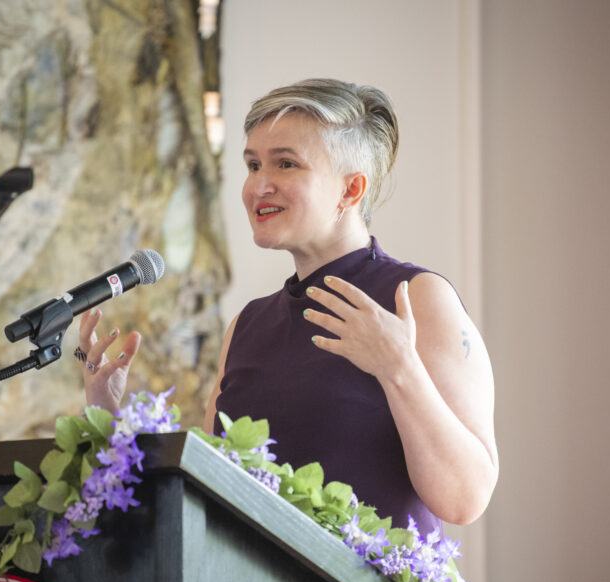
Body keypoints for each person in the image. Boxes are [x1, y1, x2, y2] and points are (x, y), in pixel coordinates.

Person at [76, 79, 498, 533]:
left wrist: (398, 368)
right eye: (253, 164)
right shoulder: (247, 325)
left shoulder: (416, 297)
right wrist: (110, 414)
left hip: (373, 581)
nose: (259, 186)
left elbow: (465, 499)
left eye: (286, 164)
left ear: (351, 190)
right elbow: (207, 492)